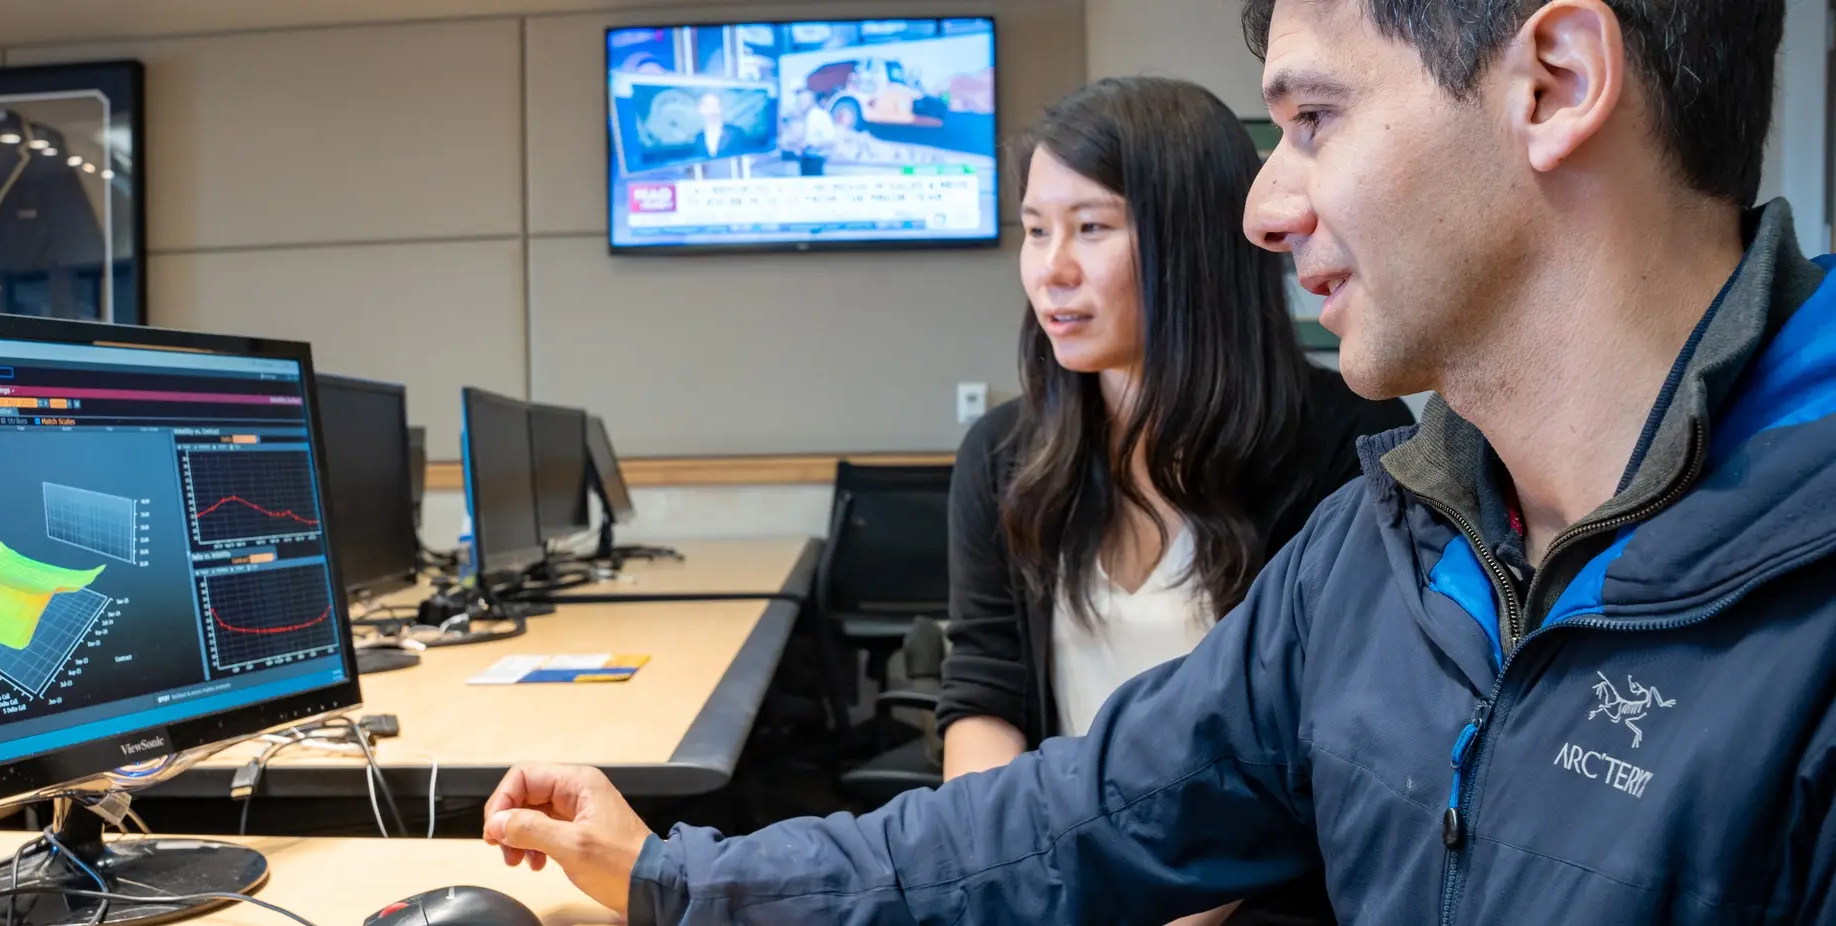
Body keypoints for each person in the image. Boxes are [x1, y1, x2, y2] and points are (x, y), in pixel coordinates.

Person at [483, 0, 1836, 921]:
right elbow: (1070, 817)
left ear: (1556, 83)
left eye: (1313, 120)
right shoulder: (1386, 545)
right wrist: (680, 879)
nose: (1265, 206)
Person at [938, 76, 1410, 926]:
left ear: (1188, 241)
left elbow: (1313, 746)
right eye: (1036, 231)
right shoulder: (1003, 456)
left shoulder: (1346, 442)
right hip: (1063, 887)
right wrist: (1001, 887)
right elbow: (985, 698)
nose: (1052, 270)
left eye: (1091, 228)